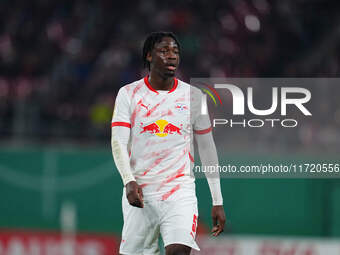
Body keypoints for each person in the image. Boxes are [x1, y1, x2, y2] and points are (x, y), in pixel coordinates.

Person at [111, 31, 225, 255]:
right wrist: (128, 181)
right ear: (149, 56)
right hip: (141, 194)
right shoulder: (129, 94)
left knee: (179, 251)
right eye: (164, 51)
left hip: (179, 192)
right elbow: (118, 142)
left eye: (175, 51)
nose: (171, 56)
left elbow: (207, 147)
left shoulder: (194, 97)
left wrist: (217, 199)